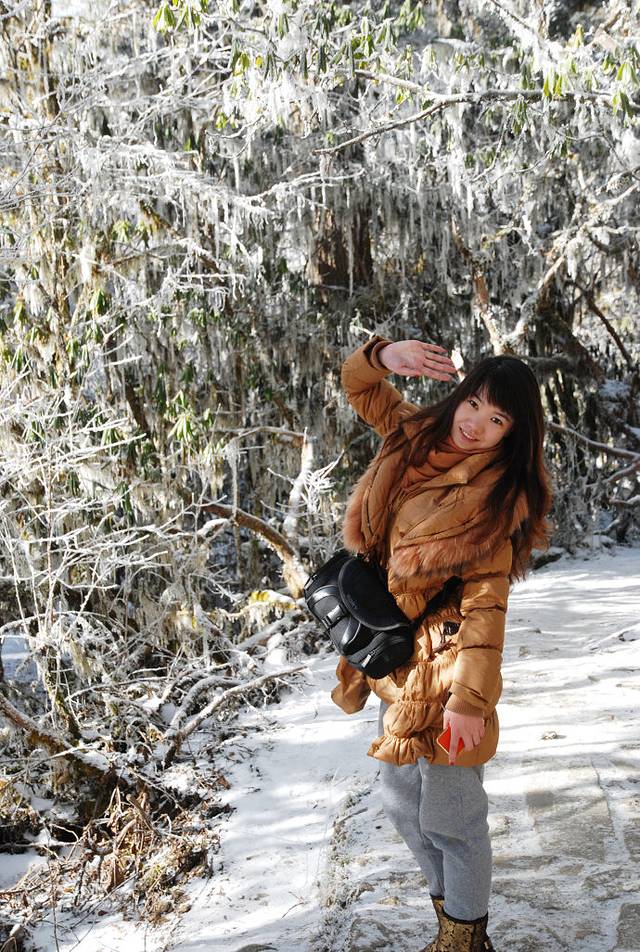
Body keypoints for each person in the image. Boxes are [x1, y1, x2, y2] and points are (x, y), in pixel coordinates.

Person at [331, 335, 553, 952]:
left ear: (513, 433)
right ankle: (453, 921)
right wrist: (383, 358)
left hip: (450, 671)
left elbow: (487, 607)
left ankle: (463, 937)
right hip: (397, 663)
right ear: (460, 396)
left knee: (452, 817)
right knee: (402, 805)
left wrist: (469, 701)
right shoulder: (412, 435)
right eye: (474, 404)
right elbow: (357, 386)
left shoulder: (495, 501)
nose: (475, 424)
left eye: (497, 419)